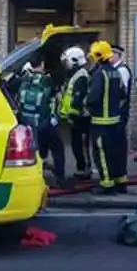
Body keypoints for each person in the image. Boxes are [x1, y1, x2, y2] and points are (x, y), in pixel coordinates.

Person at [17, 54, 65, 187]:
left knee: (36, 151)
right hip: (45, 121)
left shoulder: (25, 79)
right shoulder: (47, 80)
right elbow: (56, 97)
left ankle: (36, 179)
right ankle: (60, 179)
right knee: (57, 148)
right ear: (42, 64)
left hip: (29, 123)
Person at [86, 40, 127, 194]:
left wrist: (87, 105)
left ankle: (107, 185)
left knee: (101, 153)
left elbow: (94, 97)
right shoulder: (116, 71)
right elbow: (123, 94)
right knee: (116, 153)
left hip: (100, 122)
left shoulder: (99, 74)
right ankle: (120, 181)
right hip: (115, 121)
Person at [59, 46, 92, 180]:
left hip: (81, 117)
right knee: (76, 144)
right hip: (76, 116)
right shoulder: (76, 75)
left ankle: (85, 169)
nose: (66, 65)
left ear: (75, 60)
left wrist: (72, 114)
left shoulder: (81, 76)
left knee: (81, 144)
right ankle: (81, 167)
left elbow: (78, 96)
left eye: (67, 62)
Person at [111, 44, 132, 188]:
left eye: (111, 54)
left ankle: (120, 177)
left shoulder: (122, 70)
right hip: (116, 113)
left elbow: (121, 94)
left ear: (117, 55)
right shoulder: (114, 70)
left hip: (119, 113)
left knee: (118, 145)